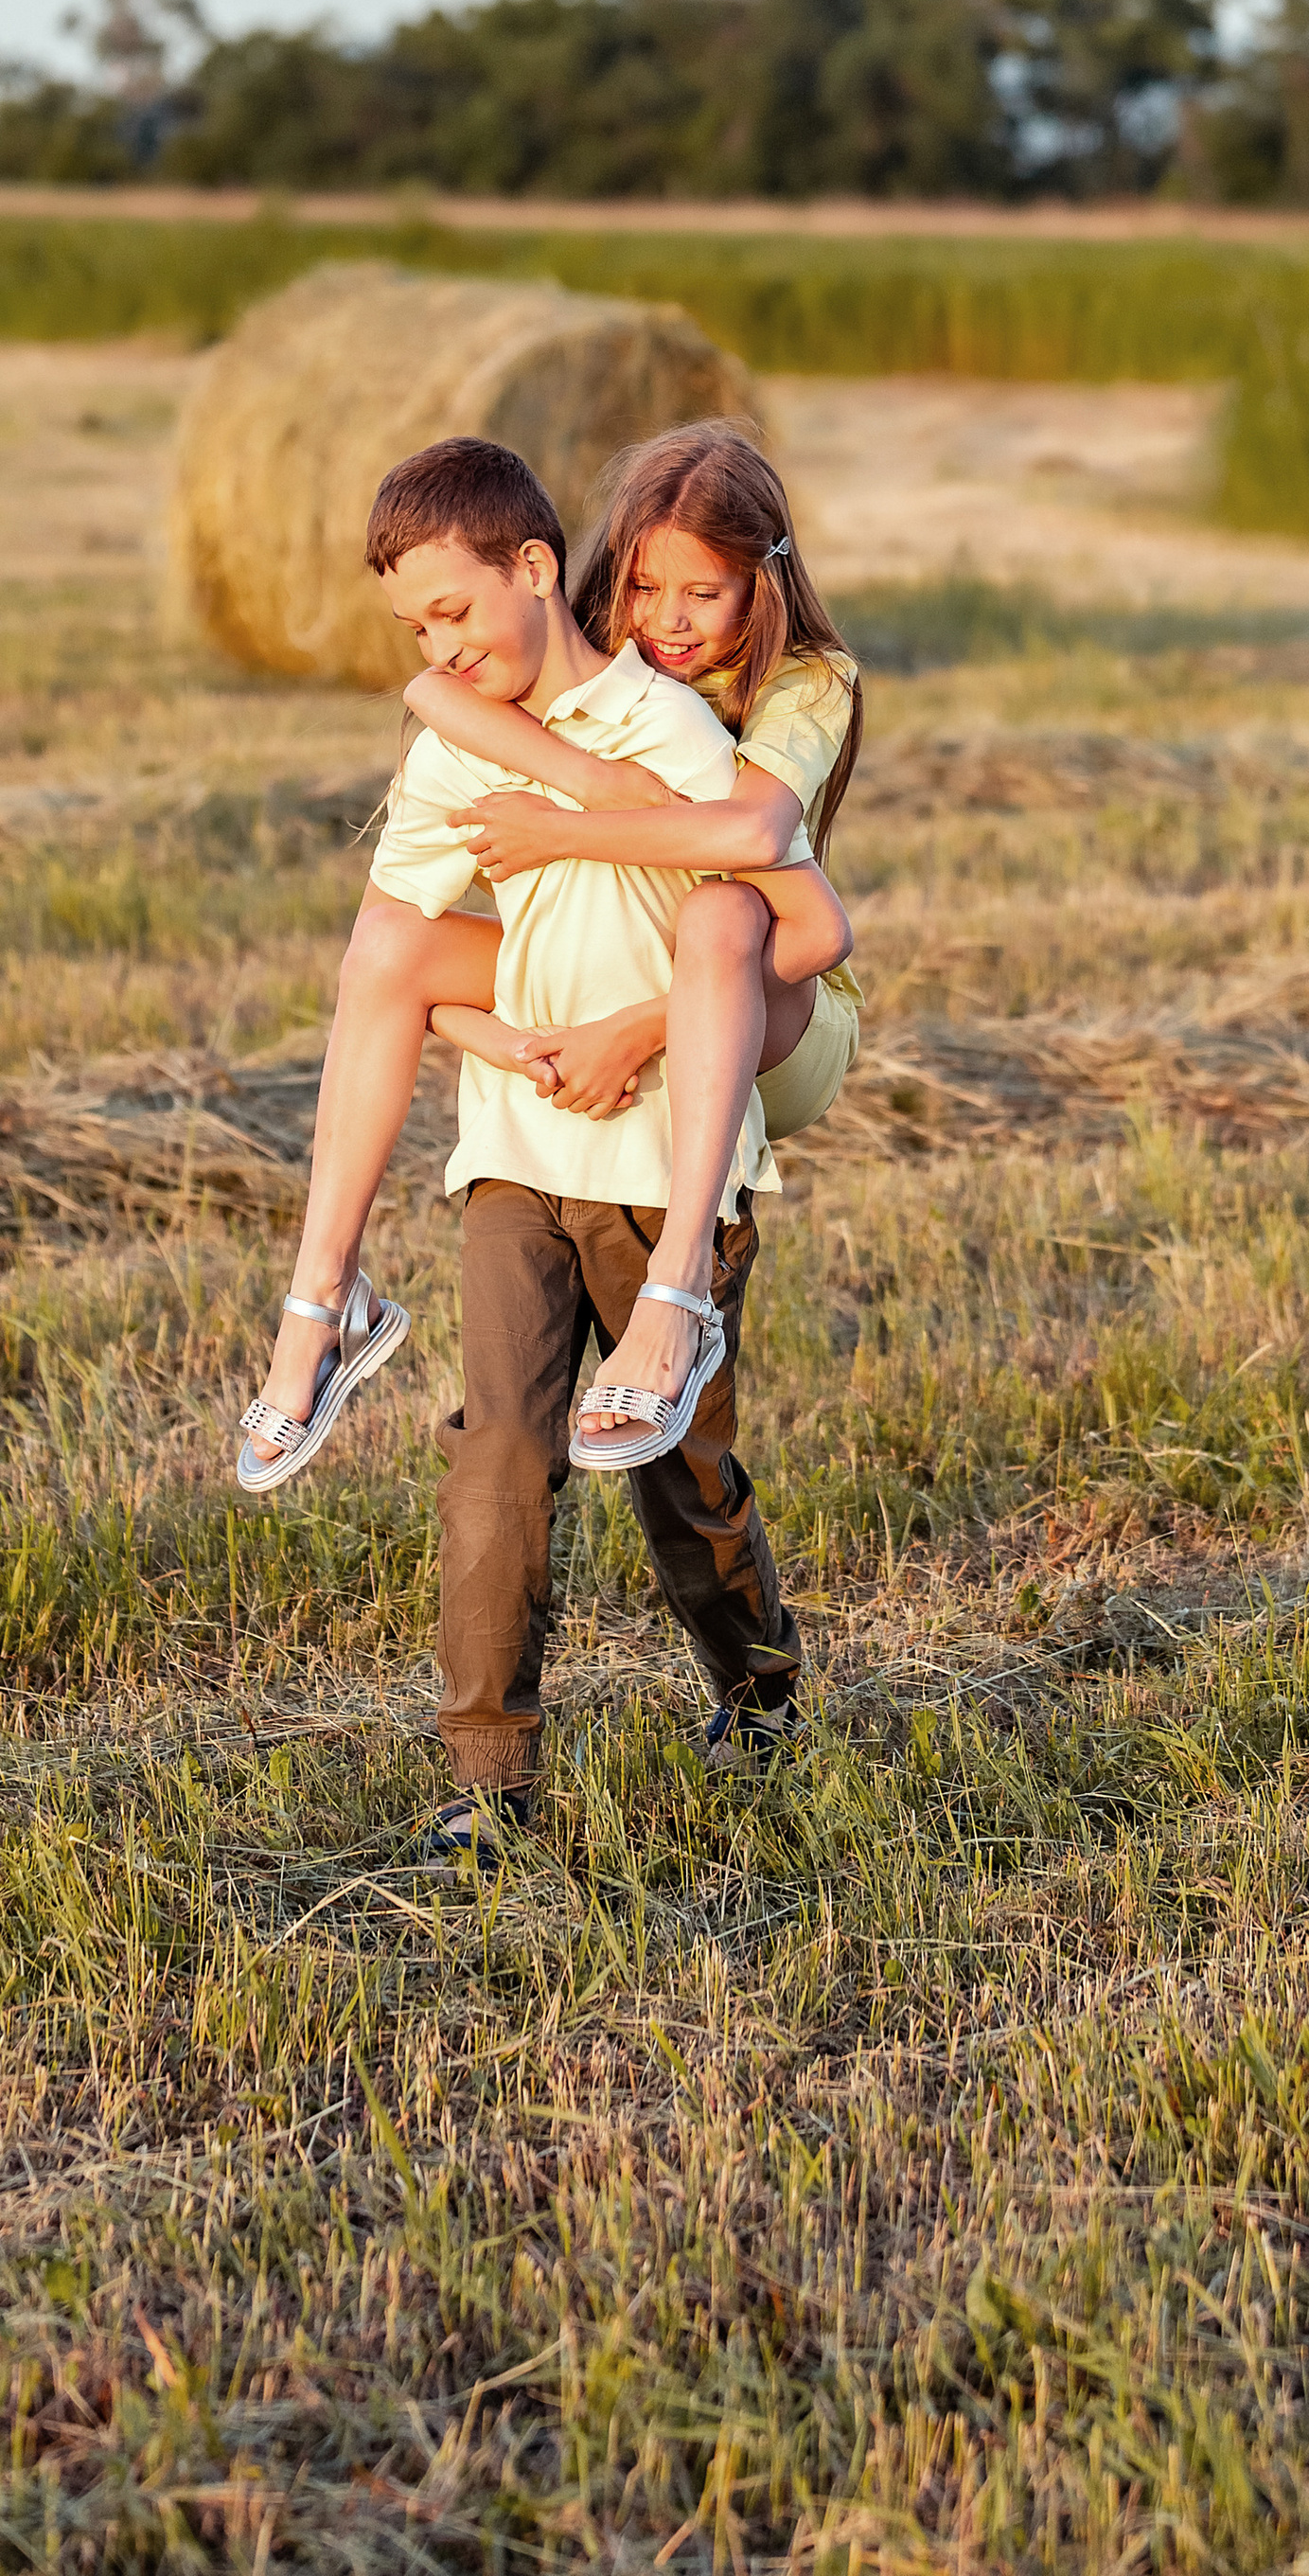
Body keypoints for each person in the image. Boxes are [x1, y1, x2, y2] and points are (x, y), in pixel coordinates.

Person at [239, 432, 804, 1865]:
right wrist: (511, 1050)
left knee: (684, 1481)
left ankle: (759, 1685)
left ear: (536, 569)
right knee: (496, 1456)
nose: (435, 645)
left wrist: (623, 1017)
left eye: (452, 612)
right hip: (515, 1157)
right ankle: (489, 1790)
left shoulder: (664, 727)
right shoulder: (445, 749)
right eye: (413, 629)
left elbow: (762, 929)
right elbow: (403, 959)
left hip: (665, 1167)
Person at [239, 422, 862, 1479]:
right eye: (642, 591)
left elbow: (761, 850)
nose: (665, 624)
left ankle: (675, 1295)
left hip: (776, 995)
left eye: (701, 597)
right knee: (390, 944)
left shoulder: (806, 682)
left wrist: (579, 834)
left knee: (720, 916)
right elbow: (435, 690)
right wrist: (507, 1034)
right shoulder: (573, 644)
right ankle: (325, 1295)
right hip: (631, 969)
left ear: (761, 586)